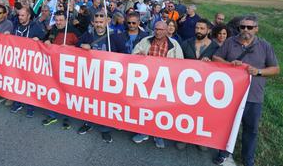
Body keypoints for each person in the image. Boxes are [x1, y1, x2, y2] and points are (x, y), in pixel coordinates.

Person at [212, 15, 279, 166]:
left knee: (251, 130)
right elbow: (216, 58)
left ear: (256, 29)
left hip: (254, 96)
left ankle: (248, 160)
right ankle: (224, 153)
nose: (245, 30)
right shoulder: (230, 42)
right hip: (231, 95)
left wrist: (259, 72)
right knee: (227, 127)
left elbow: (275, 69)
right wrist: (229, 64)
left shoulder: (265, 46)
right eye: (242, 27)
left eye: (250, 27)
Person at [131, 21, 183, 149]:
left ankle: (158, 134)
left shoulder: (174, 45)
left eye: (161, 29)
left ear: (166, 31)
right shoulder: (146, 41)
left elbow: (181, 64)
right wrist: (139, 56)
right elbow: (133, 55)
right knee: (145, 108)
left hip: (164, 83)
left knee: (160, 109)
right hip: (147, 81)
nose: (158, 32)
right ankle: (143, 132)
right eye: (156, 29)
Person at [76, 11, 126, 143]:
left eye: (101, 22)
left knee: (106, 104)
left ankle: (105, 129)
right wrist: (82, 45)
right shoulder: (88, 34)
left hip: (109, 77)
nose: (99, 24)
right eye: (96, 22)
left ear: (107, 21)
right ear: (93, 22)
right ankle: (88, 123)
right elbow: (75, 46)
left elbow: (125, 54)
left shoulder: (115, 36)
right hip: (91, 76)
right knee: (90, 102)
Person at [176, 18, 219, 151]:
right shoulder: (186, 43)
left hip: (206, 88)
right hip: (187, 86)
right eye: (197, 28)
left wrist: (211, 64)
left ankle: (200, 139)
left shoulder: (216, 47)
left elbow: (222, 66)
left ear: (208, 30)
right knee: (186, 113)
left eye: (202, 28)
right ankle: (184, 137)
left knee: (203, 114)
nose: (198, 31)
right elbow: (177, 62)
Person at [42, 11, 80, 129]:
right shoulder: (53, 29)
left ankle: (66, 117)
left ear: (66, 20)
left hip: (68, 68)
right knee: (52, 90)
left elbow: (82, 48)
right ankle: (51, 115)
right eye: (57, 20)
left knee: (66, 92)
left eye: (61, 20)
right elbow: (45, 40)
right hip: (53, 66)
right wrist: (46, 41)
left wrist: (69, 48)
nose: (58, 23)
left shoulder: (74, 31)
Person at [10, 7, 45, 117]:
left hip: (30, 61)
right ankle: (18, 102)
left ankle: (30, 106)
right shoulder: (16, 25)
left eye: (22, 15)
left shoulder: (36, 27)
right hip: (17, 59)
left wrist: (39, 41)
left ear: (28, 16)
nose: (20, 17)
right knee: (18, 82)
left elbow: (44, 41)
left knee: (30, 84)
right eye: (19, 15)